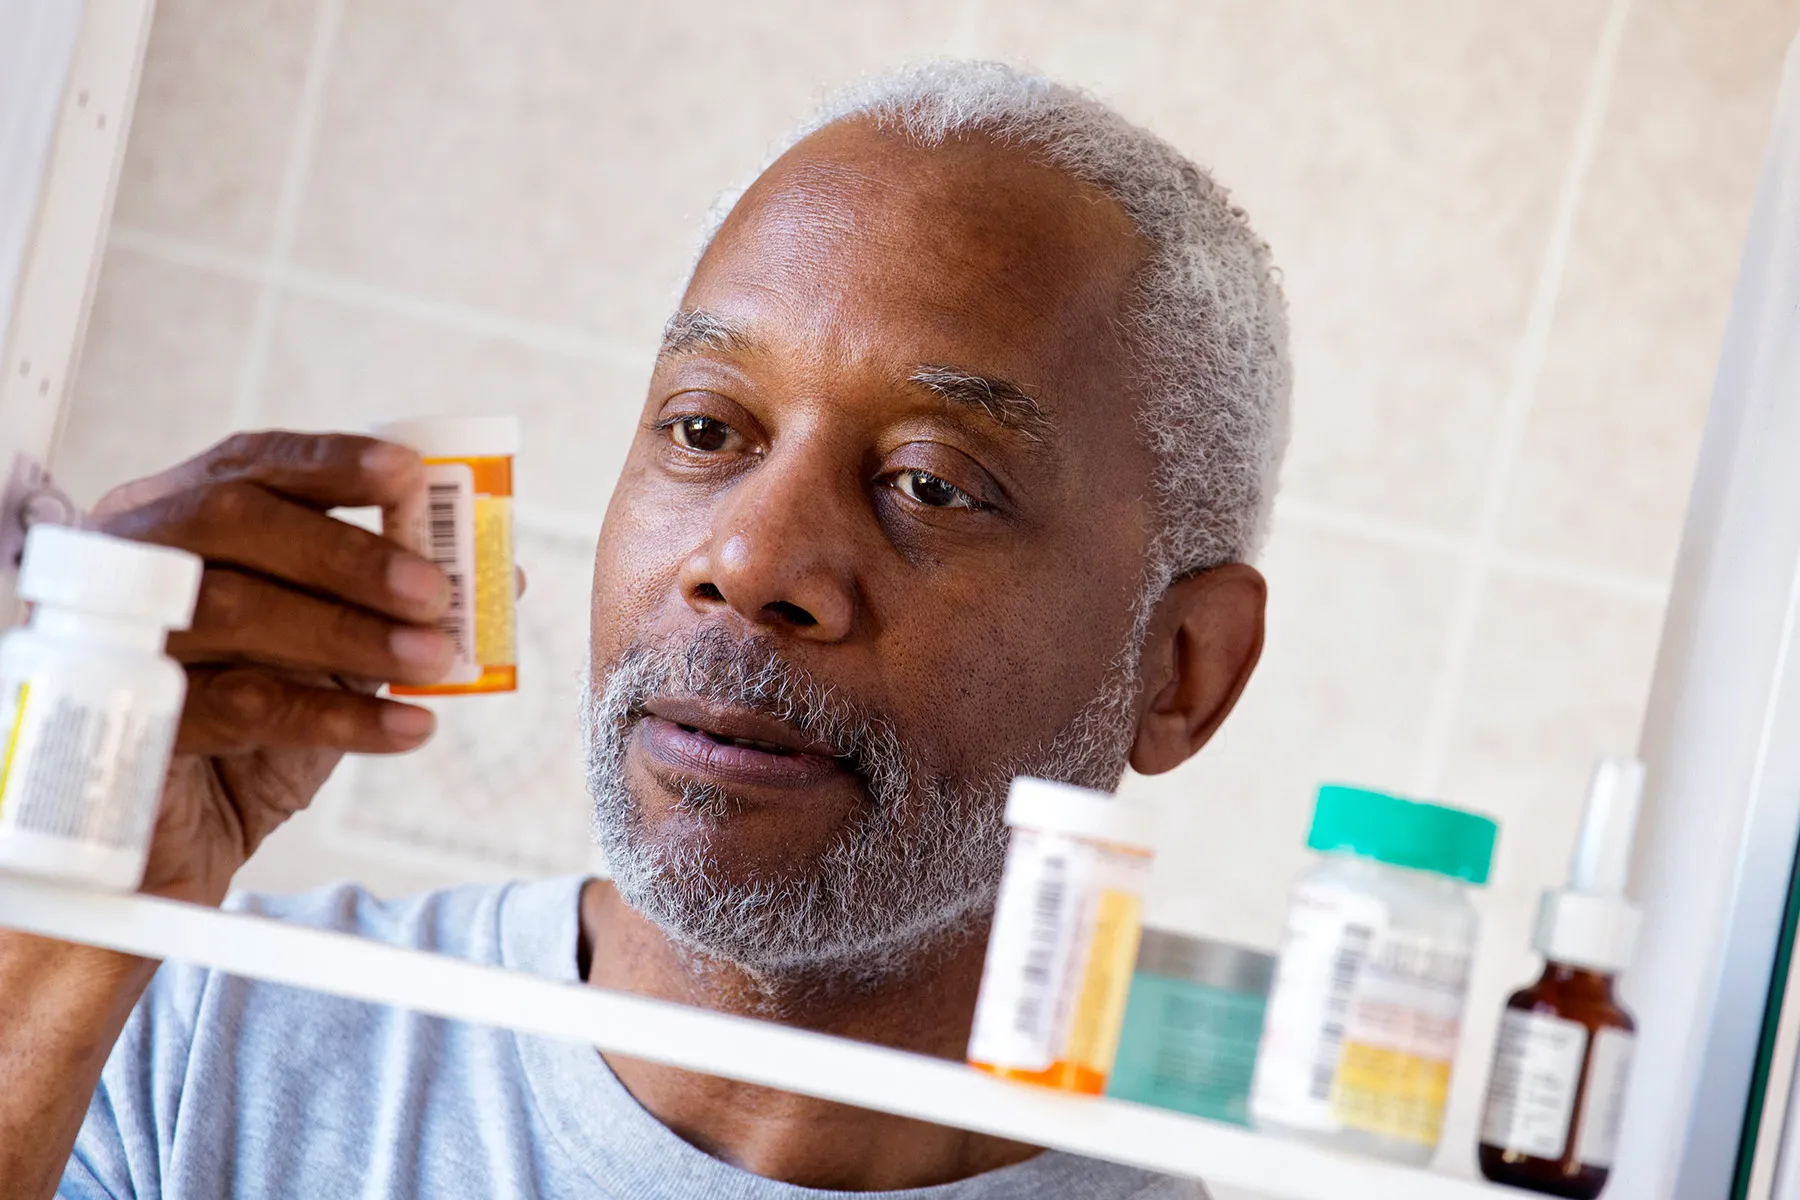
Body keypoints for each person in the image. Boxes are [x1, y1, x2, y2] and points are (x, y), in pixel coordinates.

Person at [1, 61, 1289, 1199]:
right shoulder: (177, 1047)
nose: (749, 561)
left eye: (934, 484)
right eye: (704, 429)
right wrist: (61, 939)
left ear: (1179, 672)